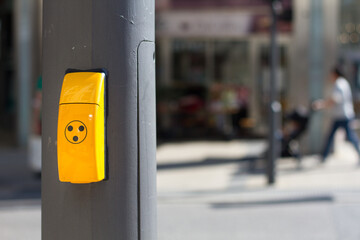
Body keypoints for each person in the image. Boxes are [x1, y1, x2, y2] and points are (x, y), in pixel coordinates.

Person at [313, 67, 360, 163]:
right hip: (340, 115)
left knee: (350, 137)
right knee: (331, 136)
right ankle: (324, 156)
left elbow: (335, 99)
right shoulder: (343, 83)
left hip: (343, 115)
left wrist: (321, 105)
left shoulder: (339, 84)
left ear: (335, 74)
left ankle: (324, 156)